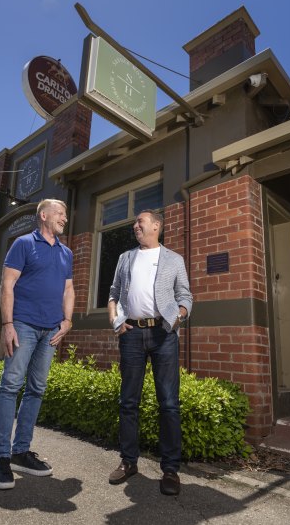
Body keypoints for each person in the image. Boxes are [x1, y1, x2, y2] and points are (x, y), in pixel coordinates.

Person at [106, 209, 193, 496]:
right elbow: (114, 292)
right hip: (131, 334)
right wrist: (115, 320)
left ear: (156, 226)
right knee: (128, 401)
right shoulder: (125, 257)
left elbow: (185, 295)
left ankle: (170, 469)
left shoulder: (174, 259)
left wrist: (179, 316)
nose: (135, 226)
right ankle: (129, 461)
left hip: (163, 334)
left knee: (168, 403)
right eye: (134, 223)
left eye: (139, 222)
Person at [0, 199, 74, 490]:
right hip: (23, 325)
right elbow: (7, 285)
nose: (65, 217)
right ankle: (1, 457)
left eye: (65, 213)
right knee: (10, 386)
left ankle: (20, 452)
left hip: (51, 330)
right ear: (44, 215)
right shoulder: (23, 244)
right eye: (60, 213)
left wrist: (68, 321)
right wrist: (8, 325)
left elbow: (68, 289)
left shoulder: (66, 252)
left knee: (36, 389)